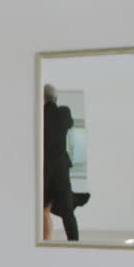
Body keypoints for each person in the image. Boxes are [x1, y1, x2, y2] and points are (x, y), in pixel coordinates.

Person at [42, 84, 88, 241]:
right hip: (60, 166)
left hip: (43, 167)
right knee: (67, 212)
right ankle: (74, 244)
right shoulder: (63, 112)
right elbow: (70, 123)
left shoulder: (39, 114)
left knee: (44, 208)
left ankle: (45, 242)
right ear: (56, 98)